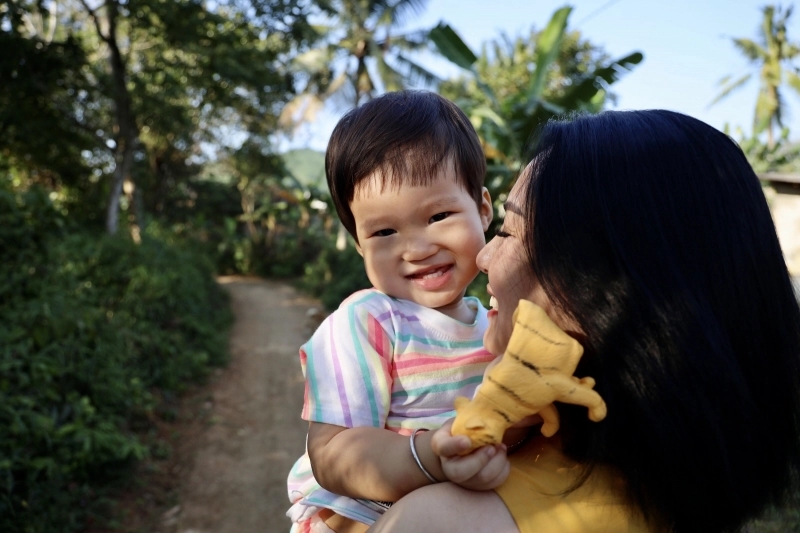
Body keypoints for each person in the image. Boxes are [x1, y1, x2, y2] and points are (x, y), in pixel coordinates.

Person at [368, 109, 800, 533]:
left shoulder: (442, 519)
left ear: (600, 284)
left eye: (508, 232)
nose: (483, 257)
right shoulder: (674, 489)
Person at [286, 91, 508, 533]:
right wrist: (429, 458)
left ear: (483, 209)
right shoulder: (366, 323)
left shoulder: (495, 324)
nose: (417, 249)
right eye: (384, 231)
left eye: (438, 215)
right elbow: (333, 453)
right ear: (359, 245)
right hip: (359, 518)